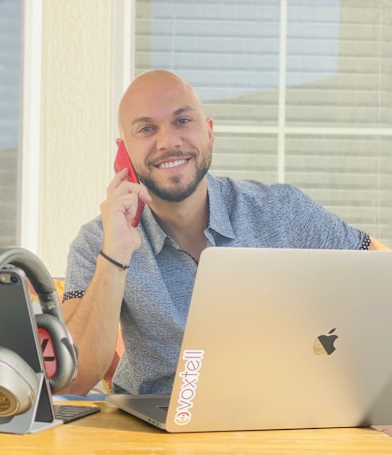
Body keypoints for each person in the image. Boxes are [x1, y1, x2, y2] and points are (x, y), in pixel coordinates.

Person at [60, 69, 389, 396]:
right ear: (124, 153)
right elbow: (74, 378)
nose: (168, 142)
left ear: (210, 132)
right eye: (146, 129)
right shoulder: (98, 242)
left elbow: (380, 273)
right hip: (153, 432)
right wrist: (115, 254)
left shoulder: (281, 209)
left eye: (183, 121)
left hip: (282, 418)